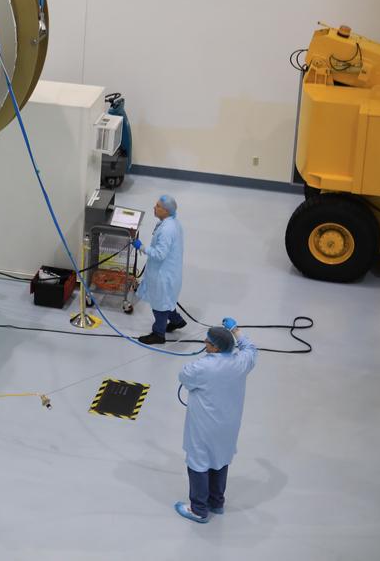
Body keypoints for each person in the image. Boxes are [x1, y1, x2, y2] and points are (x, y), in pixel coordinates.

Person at [174, 324, 259, 523]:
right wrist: (236, 330)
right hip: (229, 425)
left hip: (205, 426)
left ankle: (199, 510)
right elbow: (251, 349)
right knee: (220, 460)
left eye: (208, 342)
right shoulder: (241, 363)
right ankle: (216, 502)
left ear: (216, 347)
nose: (204, 343)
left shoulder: (203, 367)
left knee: (198, 463)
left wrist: (205, 360)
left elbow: (184, 376)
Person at [132, 194, 186, 345]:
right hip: (169, 270)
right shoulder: (172, 223)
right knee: (166, 300)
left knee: (159, 304)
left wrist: (141, 247)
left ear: (167, 211)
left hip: (163, 273)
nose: (154, 208)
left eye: (158, 207)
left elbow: (160, 254)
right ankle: (177, 321)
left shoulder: (167, 229)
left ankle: (158, 334)